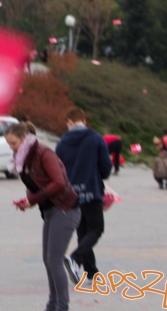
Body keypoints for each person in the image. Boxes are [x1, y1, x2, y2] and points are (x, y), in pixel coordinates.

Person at [6, 121, 81, 311]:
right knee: (48, 260)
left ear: (24, 138)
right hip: (49, 210)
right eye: (9, 145)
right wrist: (28, 201)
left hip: (65, 209)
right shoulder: (24, 159)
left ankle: (61, 306)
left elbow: (59, 182)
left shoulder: (43, 153)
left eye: (13, 143)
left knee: (54, 260)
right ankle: (53, 304)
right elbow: (35, 186)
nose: (12, 148)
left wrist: (34, 199)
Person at [56, 107, 112, 286]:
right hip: (91, 190)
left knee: (83, 232)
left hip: (71, 194)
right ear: (84, 121)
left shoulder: (62, 143)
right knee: (96, 229)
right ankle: (75, 258)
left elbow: (58, 169)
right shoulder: (95, 138)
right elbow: (106, 168)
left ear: (69, 122)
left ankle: (92, 273)